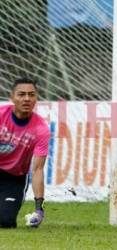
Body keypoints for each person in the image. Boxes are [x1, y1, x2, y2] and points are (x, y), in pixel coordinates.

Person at [0, 78, 50, 228]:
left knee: (5, 222)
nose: (27, 98)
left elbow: (37, 170)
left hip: (15, 178)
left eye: (31, 95)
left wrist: (39, 209)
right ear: (12, 97)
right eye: (21, 94)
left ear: (36, 98)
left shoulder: (41, 129)